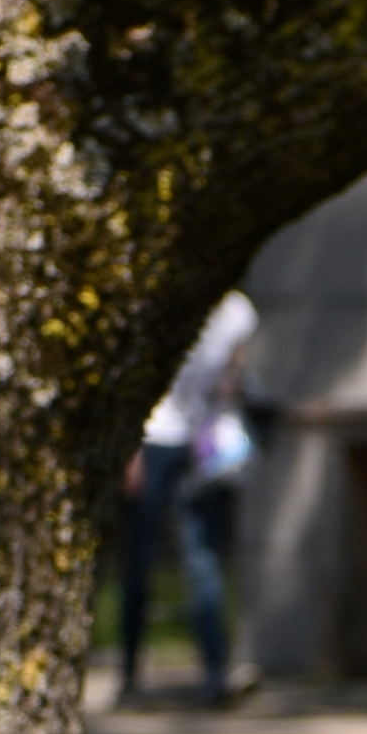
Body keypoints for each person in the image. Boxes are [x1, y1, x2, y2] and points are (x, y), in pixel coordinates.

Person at [116, 288, 256, 704]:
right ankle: (129, 676)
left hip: (201, 446)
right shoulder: (155, 295)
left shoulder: (234, 312)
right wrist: (128, 449)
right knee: (138, 562)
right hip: (151, 439)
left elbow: (231, 374)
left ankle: (215, 674)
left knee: (204, 560)